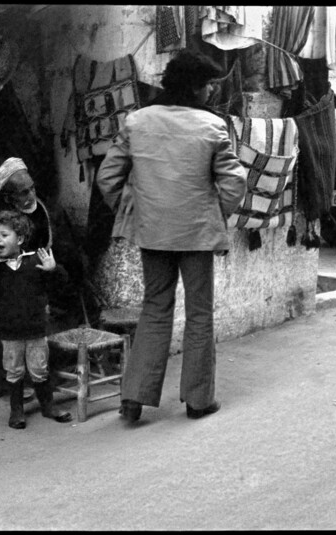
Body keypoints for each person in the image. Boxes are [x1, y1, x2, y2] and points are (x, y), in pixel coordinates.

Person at [95, 50, 247, 423]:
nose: (212, 90)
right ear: (194, 87)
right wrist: (214, 216)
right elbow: (234, 183)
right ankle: (198, 401)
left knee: (155, 309)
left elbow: (107, 178)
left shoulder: (137, 121)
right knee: (199, 314)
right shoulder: (212, 127)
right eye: (209, 84)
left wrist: (135, 211)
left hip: (152, 234)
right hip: (196, 234)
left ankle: (133, 400)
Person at [0, 157, 88, 404]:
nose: (30, 195)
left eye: (31, 188)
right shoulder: (2, 223)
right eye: (22, 193)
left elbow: (68, 253)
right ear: (8, 198)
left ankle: (44, 376)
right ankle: (0, 379)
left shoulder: (50, 211)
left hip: (44, 281)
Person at [0, 210, 74, 429]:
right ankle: (16, 411)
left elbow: (62, 286)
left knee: (39, 369)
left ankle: (48, 407)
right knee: (14, 371)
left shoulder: (35, 261)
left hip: (35, 329)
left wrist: (54, 270)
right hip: (9, 332)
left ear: (19, 239)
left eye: (4, 235)